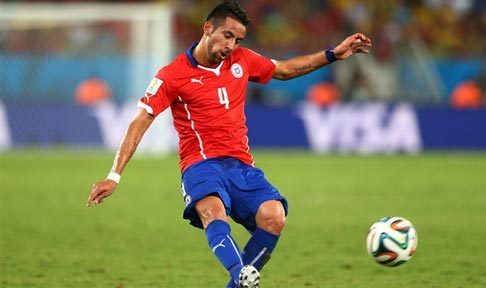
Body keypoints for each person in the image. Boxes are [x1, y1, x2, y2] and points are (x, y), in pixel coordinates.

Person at [86, 1, 372, 287]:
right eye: (227, 36)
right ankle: (241, 276)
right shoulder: (172, 75)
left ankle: (238, 282)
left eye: (238, 40)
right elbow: (139, 121)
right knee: (213, 211)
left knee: (274, 215)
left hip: (241, 165)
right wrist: (114, 176)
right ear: (208, 28)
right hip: (200, 165)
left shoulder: (242, 60)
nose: (231, 45)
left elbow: (283, 69)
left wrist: (333, 54)